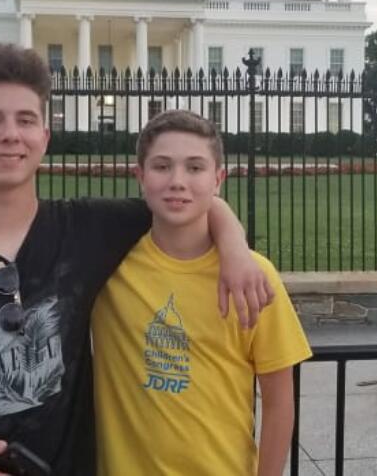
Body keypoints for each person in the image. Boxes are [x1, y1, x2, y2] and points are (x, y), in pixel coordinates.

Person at [0, 44, 271, 476]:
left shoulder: (86, 230)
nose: (10, 134)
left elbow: (183, 199)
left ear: (45, 137)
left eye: (26, 120)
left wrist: (235, 245)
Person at [91, 110, 311, 476]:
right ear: (140, 176)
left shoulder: (254, 277)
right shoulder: (108, 266)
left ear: (218, 179)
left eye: (195, 168)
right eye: (162, 166)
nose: (178, 181)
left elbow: (278, 401)